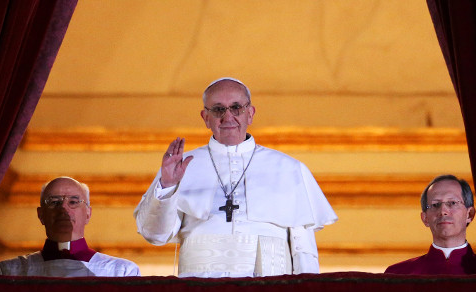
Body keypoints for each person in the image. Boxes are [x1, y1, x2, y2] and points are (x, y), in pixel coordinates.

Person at [134, 77, 337, 278]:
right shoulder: (179, 166)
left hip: (270, 291)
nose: (228, 117)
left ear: (250, 114)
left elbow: (303, 248)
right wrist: (168, 185)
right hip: (200, 290)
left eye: (236, 107)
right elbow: (156, 236)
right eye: (218, 109)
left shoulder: (289, 168)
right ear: (205, 117)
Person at [0, 176, 140, 277]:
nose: (63, 209)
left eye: (73, 202)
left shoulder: (121, 273)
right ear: (41, 215)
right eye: (54, 202)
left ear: (88, 214)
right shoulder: (7, 273)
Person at [384, 174, 476, 275]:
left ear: (470, 214)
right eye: (435, 205)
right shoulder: (399, 275)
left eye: (452, 203)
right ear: (425, 218)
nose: (443, 211)